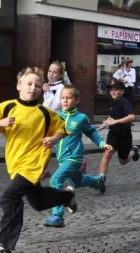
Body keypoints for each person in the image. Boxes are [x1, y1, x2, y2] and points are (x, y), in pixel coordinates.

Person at [0, 67, 77, 253]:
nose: (33, 88)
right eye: (29, 84)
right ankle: (67, 196)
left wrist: (54, 138)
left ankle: (3, 247)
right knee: (38, 202)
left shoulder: (45, 113)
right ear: (19, 86)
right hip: (15, 163)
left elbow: (63, 128)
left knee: (9, 198)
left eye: (37, 85)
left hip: (34, 162)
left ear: (41, 90)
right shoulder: (6, 108)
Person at [45, 87, 111, 228]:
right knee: (79, 181)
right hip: (62, 158)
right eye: (63, 98)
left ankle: (57, 215)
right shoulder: (57, 117)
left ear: (77, 100)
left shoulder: (81, 118)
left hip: (74, 158)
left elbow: (91, 132)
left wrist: (102, 144)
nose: (65, 100)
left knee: (56, 180)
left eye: (69, 98)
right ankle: (98, 182)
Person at [97, 80, 140, 180]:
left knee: (122, 162)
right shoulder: (113, 103)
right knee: (107, 153)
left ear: (122, 91)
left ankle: (134, 150)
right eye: (111, 90)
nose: (113, 92)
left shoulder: (125, 102)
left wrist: (115, 122)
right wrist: (104, 125)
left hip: (124, 135)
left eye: (116, 90)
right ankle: (101, 179)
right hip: (113, 134)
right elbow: (111, 117)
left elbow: (132, 117)